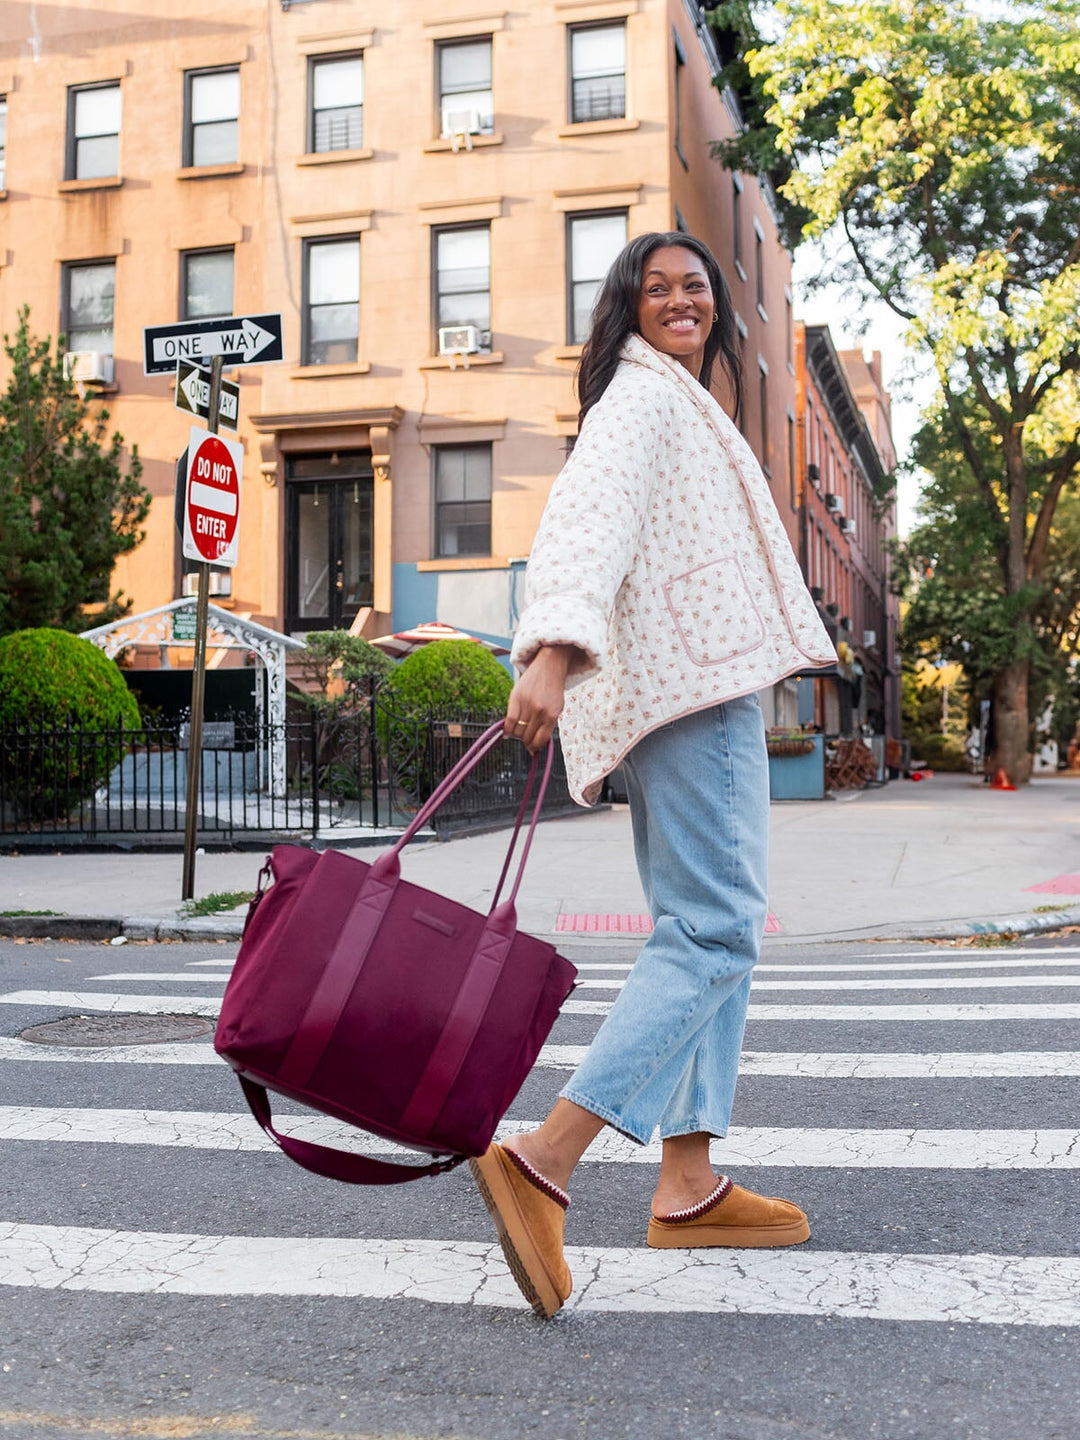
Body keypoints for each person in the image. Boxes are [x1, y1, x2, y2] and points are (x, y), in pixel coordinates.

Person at [468, 232, 836, 1319]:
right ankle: (545, 1158)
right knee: (716, 931)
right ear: (629, 306)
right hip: (689, 690)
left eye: (696, 288)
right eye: (658, 288)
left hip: (691, 682)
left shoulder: (674, 397)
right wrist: (551, 651)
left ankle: (687, 1182)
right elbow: (586, 526)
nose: (681, 301)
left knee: (705, 927)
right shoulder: (639, 399)